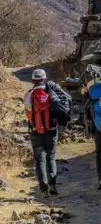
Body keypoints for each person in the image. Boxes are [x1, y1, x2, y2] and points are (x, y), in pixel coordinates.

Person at [24, 69, 71, 197]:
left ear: (33, 80)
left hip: (35, 131)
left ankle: (43, 189)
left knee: (40, 160)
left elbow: (28, 112)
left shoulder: (29, 94)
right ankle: (53, 185)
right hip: (51, 130)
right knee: (51, 157)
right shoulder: (52, 92)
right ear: (45, 79)